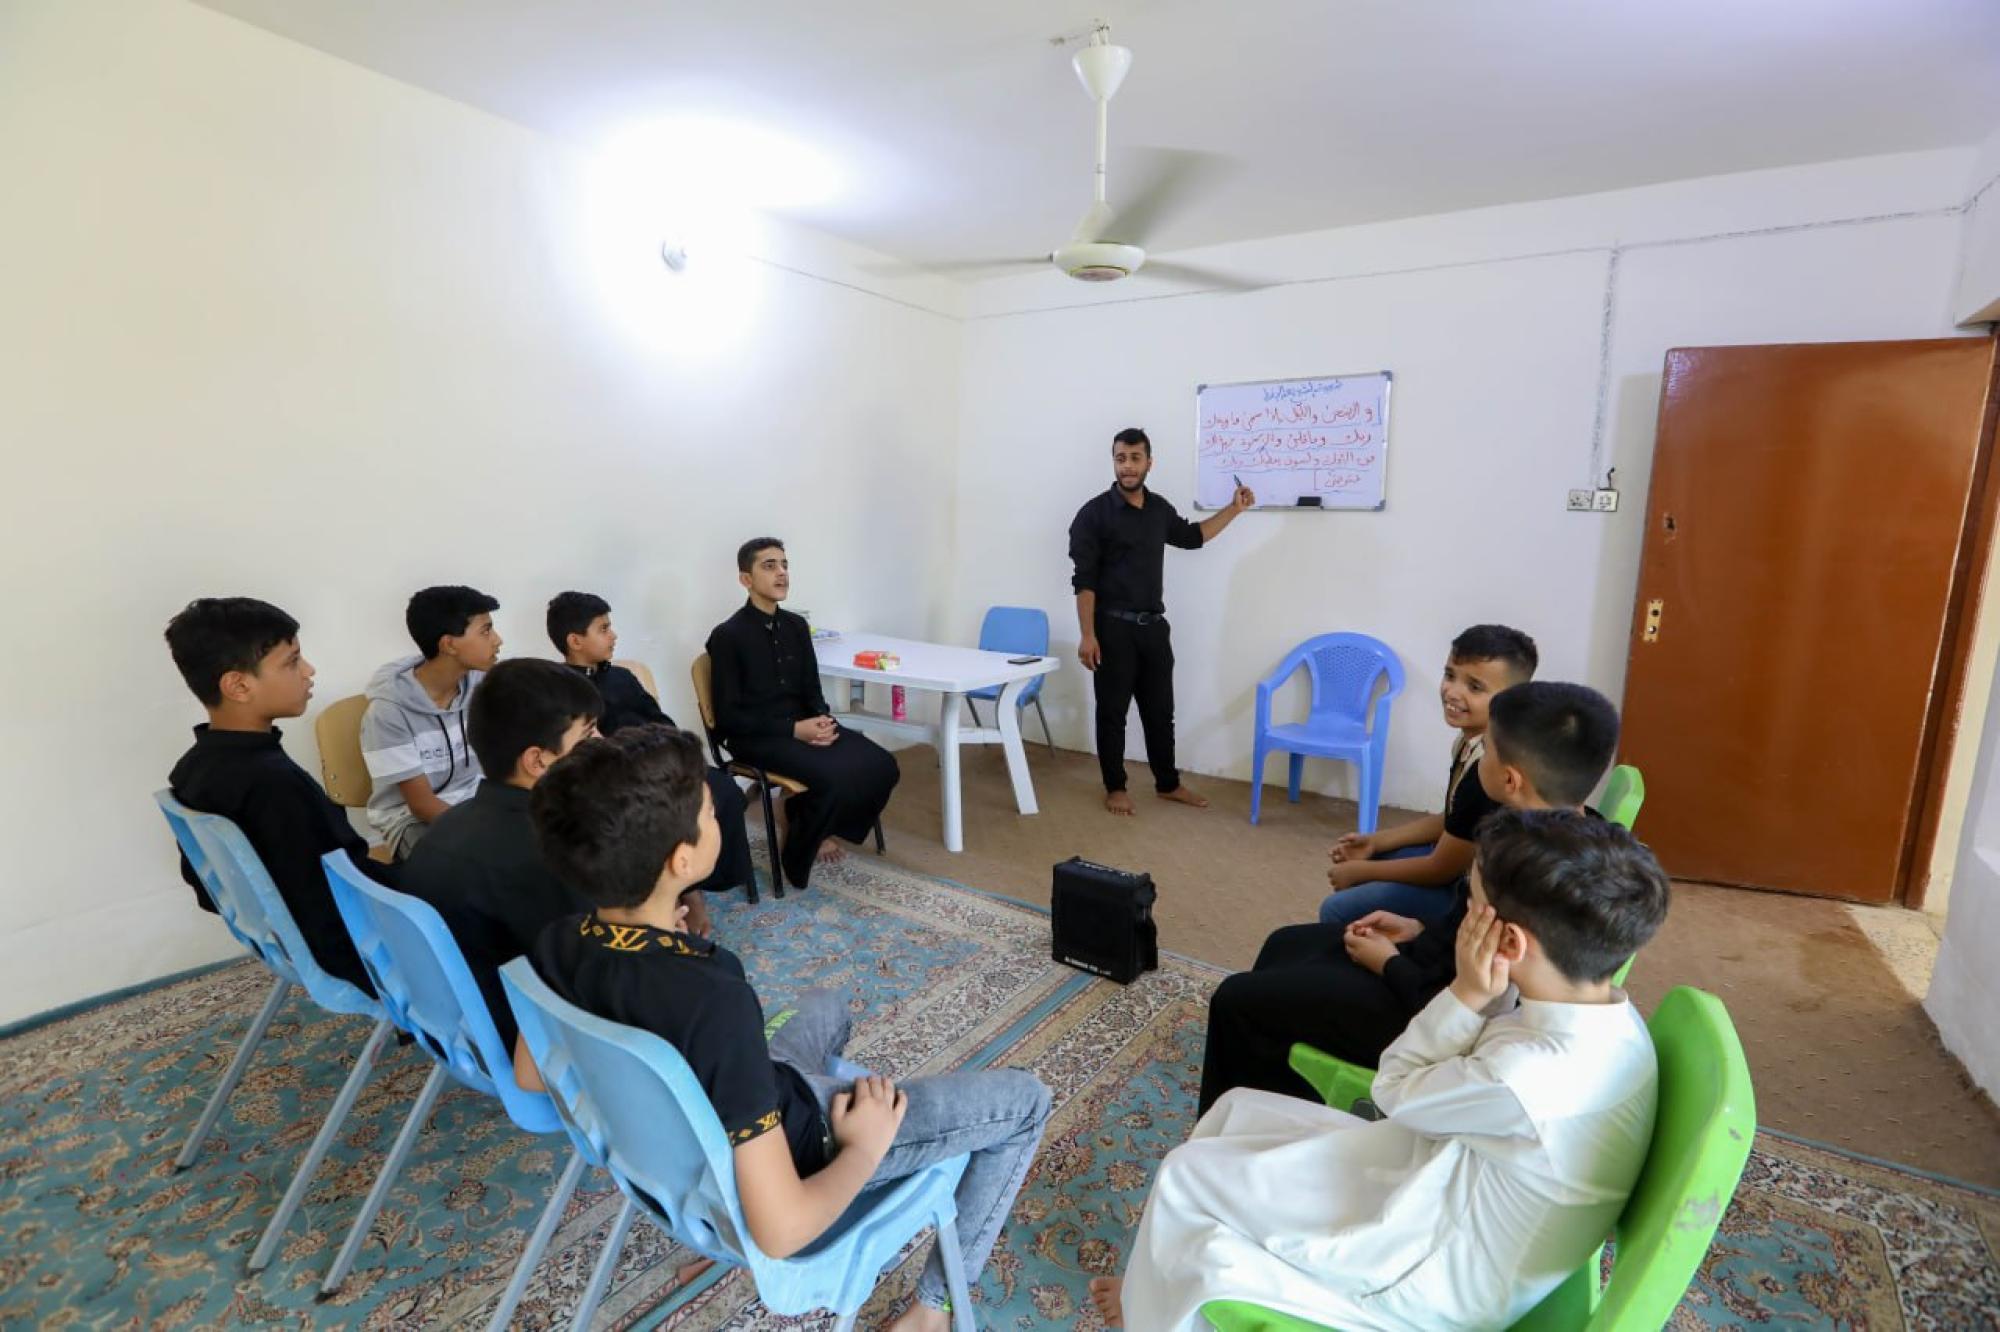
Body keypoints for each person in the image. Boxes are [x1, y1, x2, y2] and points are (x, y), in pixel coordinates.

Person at [520, 727, 1051, 1332]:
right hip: (807, 1147)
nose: (719, 815)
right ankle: (935, 1308)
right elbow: (782, 1230)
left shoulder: (556, 942)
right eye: (709, 811)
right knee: (1025, 1102)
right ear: (680, 861)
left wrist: (664, 939)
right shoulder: (714, 996)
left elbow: (532, 1076)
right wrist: (863, 1146)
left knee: (826, 1004)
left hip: (726, 1118)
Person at [1090, 808, 1669, 1331]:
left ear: (1510, 942)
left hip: (1433, 1274)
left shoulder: (1523, 1078)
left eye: (1469, 907)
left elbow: (1394, 1086)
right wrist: (1486, 997)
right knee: (1237, 1108)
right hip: (1455, 1182)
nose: (1462, 919)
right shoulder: (1611, 1019)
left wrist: (1468, 994)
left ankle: (1144, 1314)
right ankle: (1149, 1291)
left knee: (1187, 1176)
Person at [1197, 681, 1620, 1111]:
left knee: (1237, 999)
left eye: (1488, 749)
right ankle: (1273, 1086)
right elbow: (1463, 927)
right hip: (1429, 967)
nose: (1480, 758)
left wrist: (1388, 962)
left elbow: (1472, 1000)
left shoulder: (1527, 877)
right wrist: (1418, 929)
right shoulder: (1573, 836)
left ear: (1510, 779)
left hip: (1430, 1011)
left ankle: (1237, 1120)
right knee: (1285, 944)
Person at [164, 597, 394, 994]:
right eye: (292, 661)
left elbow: (206, 889)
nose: (309, 670)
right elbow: (347, 891)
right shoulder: (273, 785)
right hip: (362, 955)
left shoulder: (193, 768)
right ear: (238, 685)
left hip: (286, 944)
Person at [401, 659, 608, 1049]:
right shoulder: (548, 854)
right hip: (529, 1038)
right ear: (537, 761)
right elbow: (592, 974)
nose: (602, 744)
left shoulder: (446, 827)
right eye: (587, 737)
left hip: (457, 1023)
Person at [1069, 427, 1255, 816]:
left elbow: (1193, 536)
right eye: (1121, 458)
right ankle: (1115, 787)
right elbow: (1084, 582)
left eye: (1135, 458)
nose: (1127, 466)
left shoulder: (1157, 510)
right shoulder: (1093, 515)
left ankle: (1167, 784)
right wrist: (1088, 635)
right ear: (1114, 462)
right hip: (1112, 629)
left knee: (1160, 711)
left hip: (1154, 628)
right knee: (1112, 713)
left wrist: (1234, 509)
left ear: (1149, 463)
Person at [704, 539, 899, 889]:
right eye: (769, 566)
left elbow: (812, 689)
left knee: (883, 766)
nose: (781, 573)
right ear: (746, 579)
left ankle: (802, 816)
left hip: (804, 726)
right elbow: (729, 718)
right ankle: (797, 851)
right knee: (834, 779)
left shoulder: (795, 626)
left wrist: (821, 718)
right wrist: (794, 730)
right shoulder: (727, 636)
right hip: (756, 737)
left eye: (784, 564)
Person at [1318, 624, 1537, 928]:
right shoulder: (1470, 740)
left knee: (1336, 909)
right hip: (1456, 868)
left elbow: (1440, 870)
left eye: (1475, 687)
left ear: (1512, 699)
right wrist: (1375, 842)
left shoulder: (1488, 770)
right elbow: (1453, 818)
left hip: (1468, 898)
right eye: (1450, 675)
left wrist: (1359, 872)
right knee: (1377, 859)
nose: (1452, 692)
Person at [547, 589, 754, 907]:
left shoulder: (622, 677)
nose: (613, 635)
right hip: (625, 779)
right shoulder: (564, 692)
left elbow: (659, 719)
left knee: (724, 790)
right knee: (675, 811)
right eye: (603, 629)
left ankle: (703, 879)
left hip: (663, 761)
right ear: (575, 641)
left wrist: (678, 753)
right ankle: (683, 889)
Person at [361, 585, 502, 859]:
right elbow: (422, 805)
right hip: (411, 819)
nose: (497, 640)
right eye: (486, 631)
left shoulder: (485, 685)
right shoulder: (388, 711)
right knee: (468, 864)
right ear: (449, 644)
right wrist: (486, 834)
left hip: (477, 801)